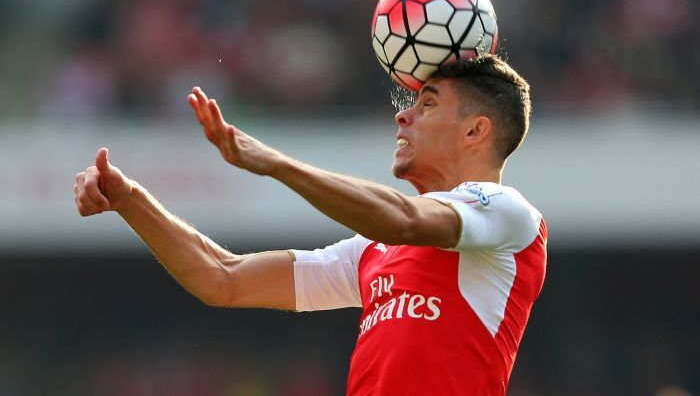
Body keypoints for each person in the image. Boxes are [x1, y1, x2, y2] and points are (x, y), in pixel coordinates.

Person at [73, 54, 547, 395]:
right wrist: (129, 199)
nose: (403, 115)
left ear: (475, 131)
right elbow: (223, 278)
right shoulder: (372, 252)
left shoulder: (508, 215)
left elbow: (402, 218)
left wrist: (276, 164)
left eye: (427, 104)